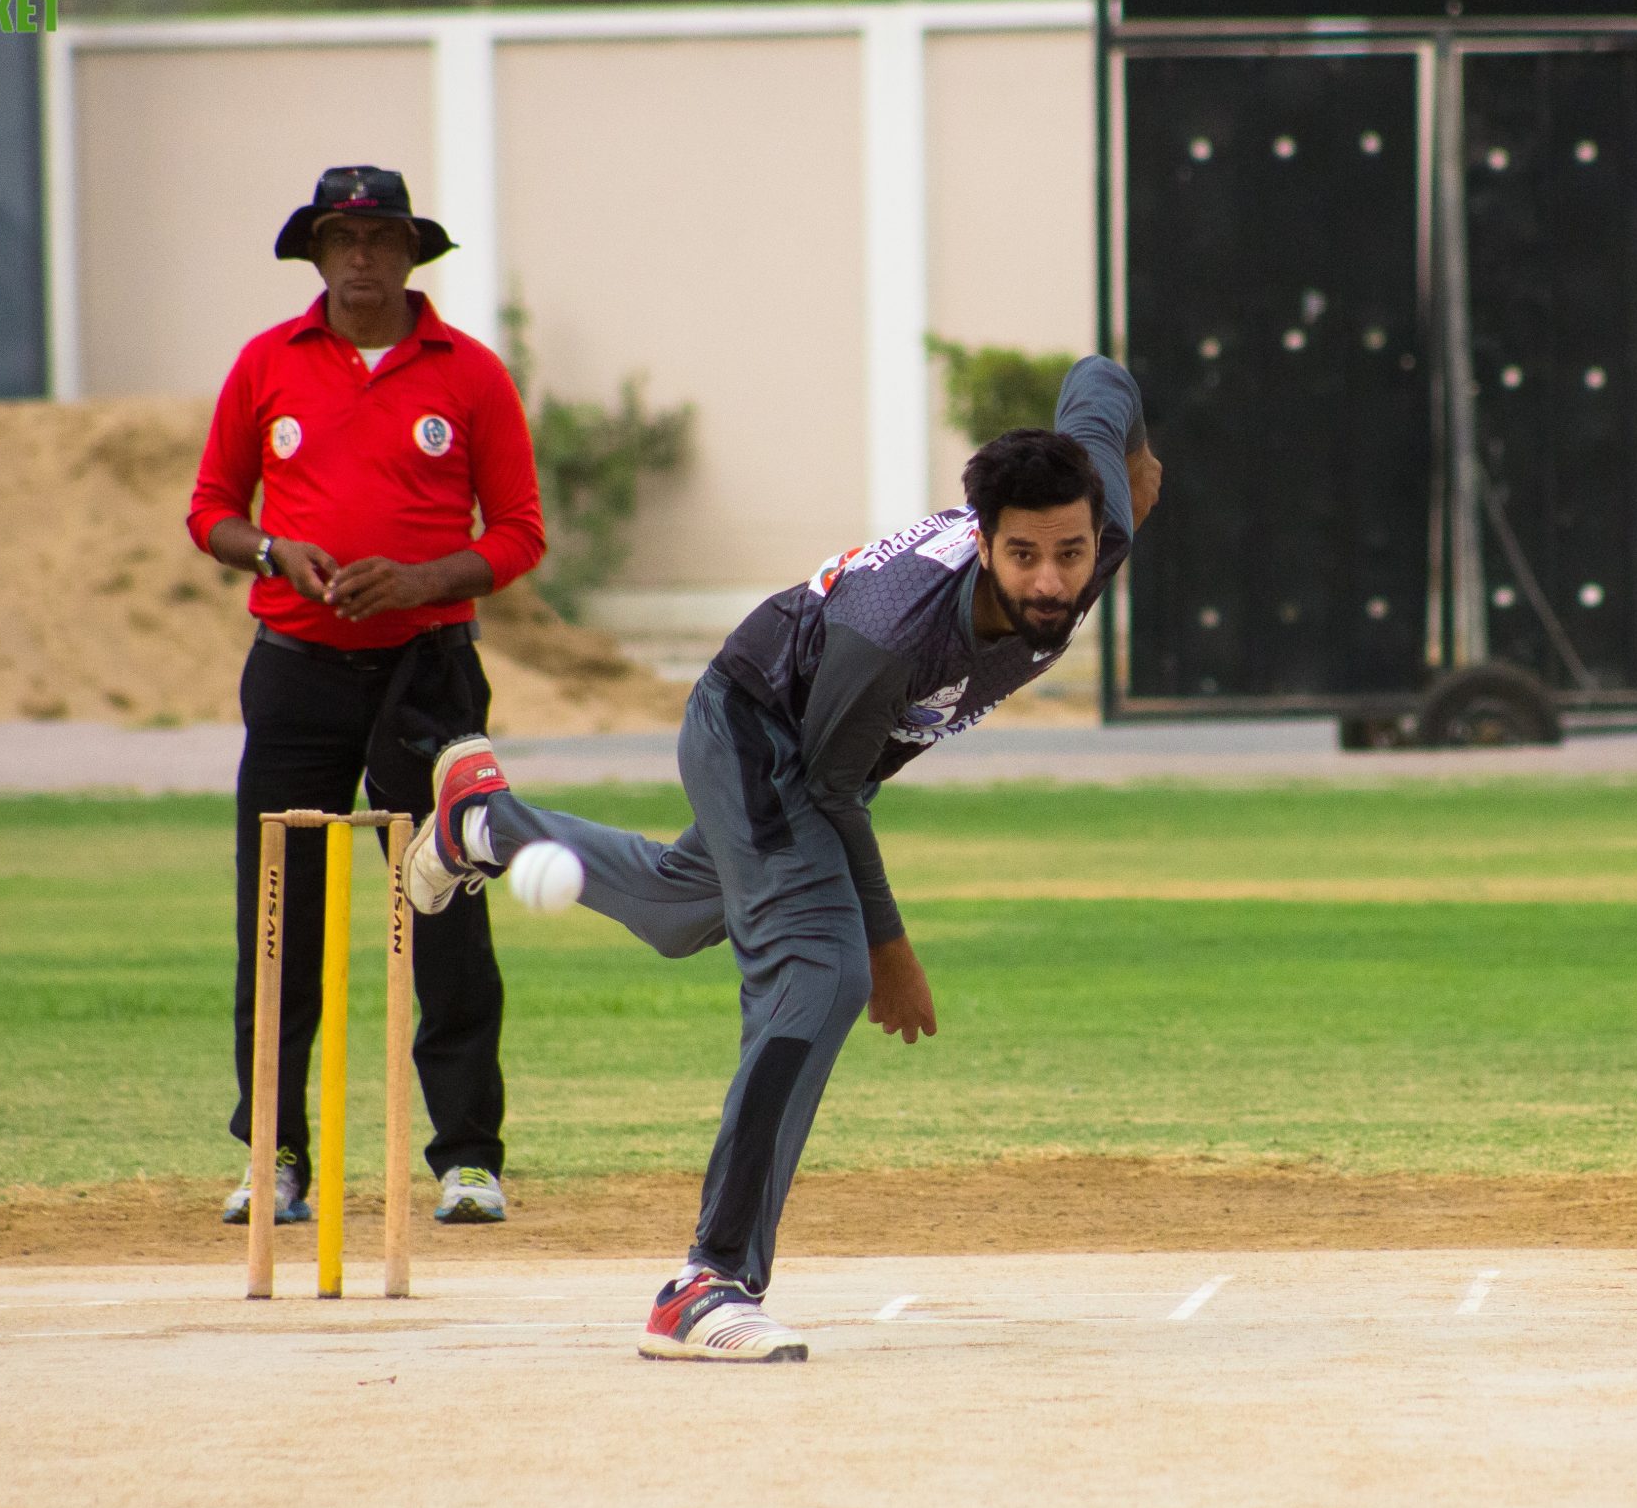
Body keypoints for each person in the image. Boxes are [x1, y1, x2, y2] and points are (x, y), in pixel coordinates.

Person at [404, 356, 1161, 1361]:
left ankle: (484, 822)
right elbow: (831, 791)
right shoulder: (890, 633)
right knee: (821, 968)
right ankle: (706, 1281)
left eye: (1070, 552)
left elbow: (1099, 380)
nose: (1053, 581)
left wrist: (1137, 462)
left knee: (678, 910)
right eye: (1023, 556)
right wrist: (889, 951)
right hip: (760, 727)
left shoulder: (1101, 519)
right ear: (983, 544)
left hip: (820, 748)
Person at [186, 165, 546, 1230]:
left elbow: (519, 533)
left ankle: (468, 1159)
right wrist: (272, 551)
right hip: (296, 668)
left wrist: (423, 580)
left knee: (445, 904)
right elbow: (210, 510)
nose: (361, 257)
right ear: (314, 252)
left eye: (381, 237)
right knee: (278, 917)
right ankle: (277, 1156)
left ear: (409, 252)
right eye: (341, 238)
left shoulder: (469, 373)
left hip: (429, 674)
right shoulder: (267, 363)